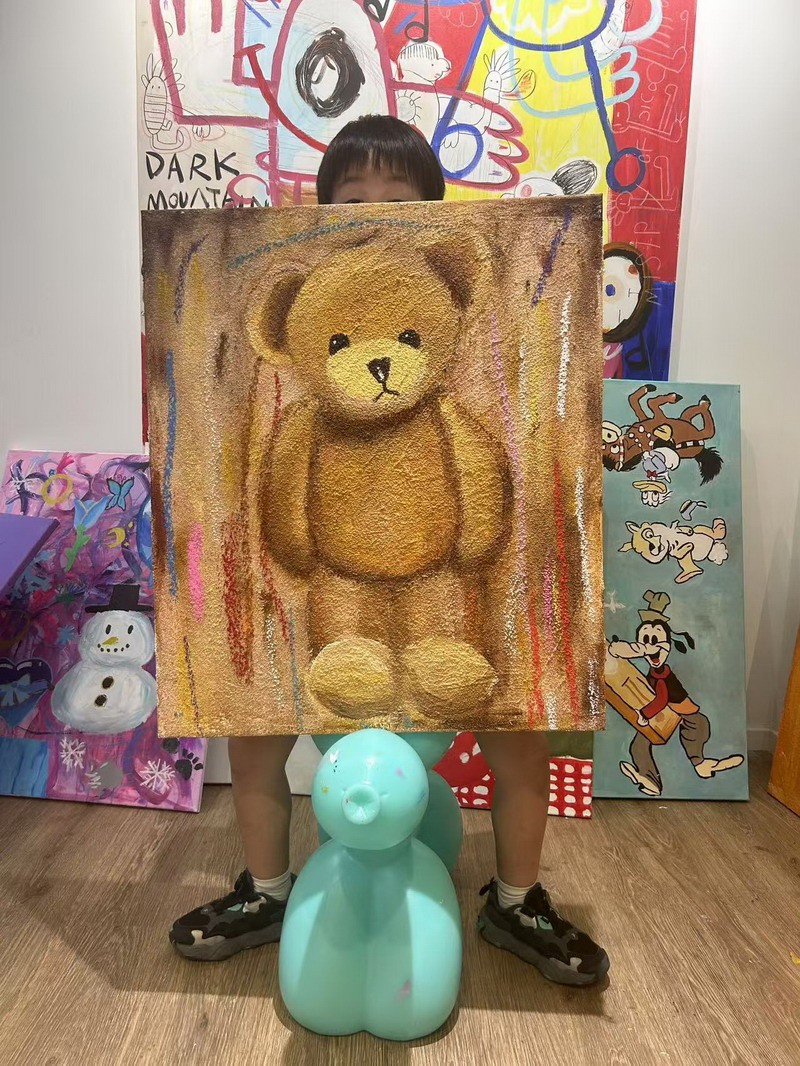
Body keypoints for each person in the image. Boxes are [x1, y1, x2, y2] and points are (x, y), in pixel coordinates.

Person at [169, 115, 610, 987]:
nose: (373, 214)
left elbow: (482, 482)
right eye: (350, 200)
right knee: (251, 727)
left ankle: (517, 898)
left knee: (523, 728)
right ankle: (266, 888)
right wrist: (289, 544)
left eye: (397, 198)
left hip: (445, 589)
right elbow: (282, 502)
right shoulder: (306, 420)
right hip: (337, 595)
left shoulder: (452, 403)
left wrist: (481, 536)